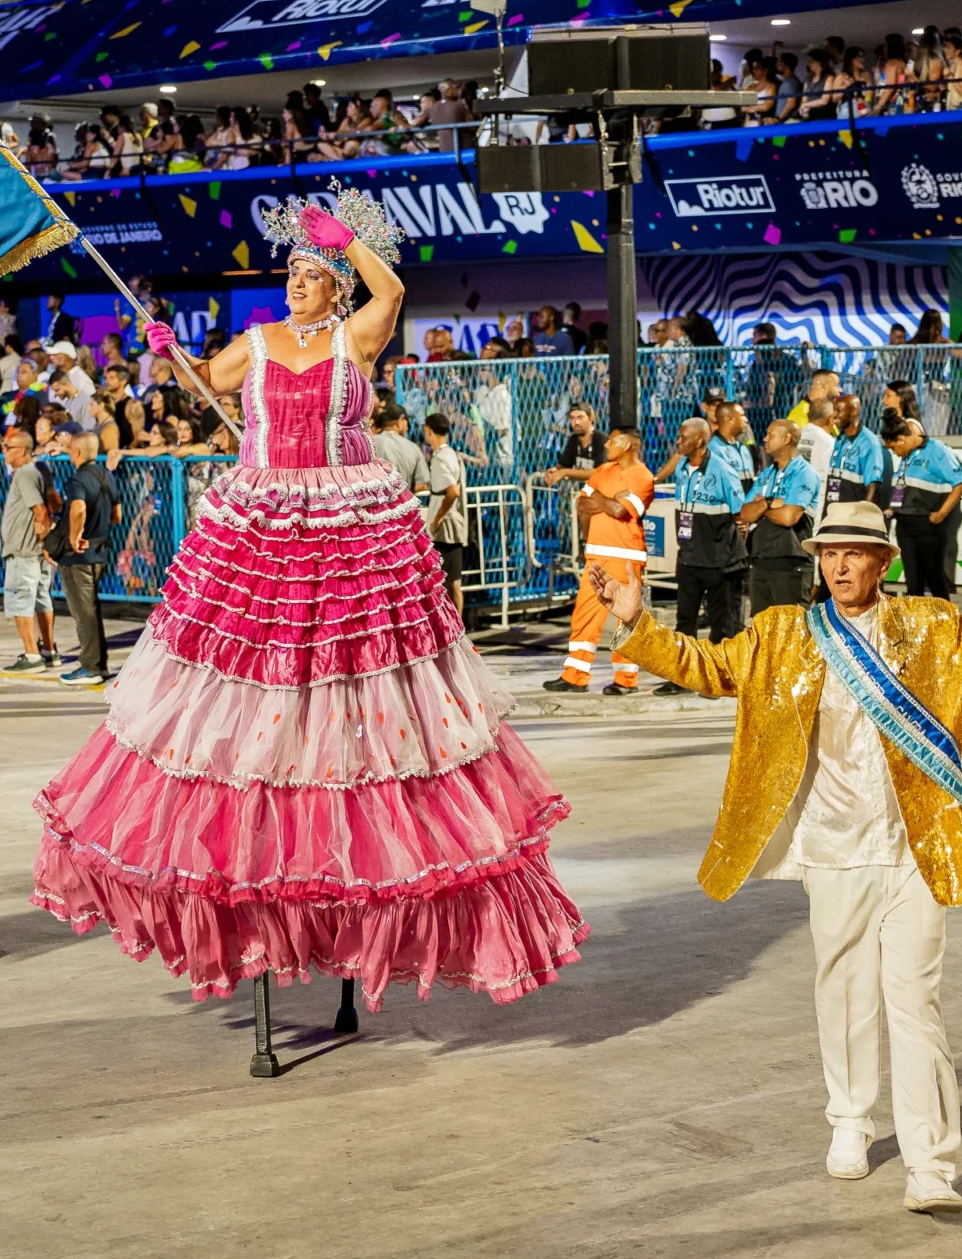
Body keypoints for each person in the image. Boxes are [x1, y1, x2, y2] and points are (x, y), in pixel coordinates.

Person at [35, 186, 587, 1055]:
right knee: (255, 700)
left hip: (347, 524)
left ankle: (348, 896)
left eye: (309, 273)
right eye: (289, 273)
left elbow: (393, 295)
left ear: (333, 285)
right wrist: (165, 352)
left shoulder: (352, 336)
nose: (294, 283)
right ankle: (264, 895)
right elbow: (199, 383)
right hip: (258, 524)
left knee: (358, 696)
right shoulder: (253, 344)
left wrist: (345, 242)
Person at [588, 501, 962, 1217]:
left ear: (884, 561)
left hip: (917, 843)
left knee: (916, 1002)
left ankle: (930, 1164)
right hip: (832, 845)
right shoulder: (783, 634)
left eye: (855, 553)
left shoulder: (932, 626)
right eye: (828, 554)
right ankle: (851, 1119)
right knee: (845, 989)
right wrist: (637, 624)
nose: (839, 566)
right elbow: (706, 667)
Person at [548, 426, 652, 693]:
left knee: (625, 619)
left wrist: (598, 498)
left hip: (626, 558)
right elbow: (582, 506)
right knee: (583, 616)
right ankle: (575, 676)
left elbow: (620, 511)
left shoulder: (643, 476)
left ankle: (626, 680)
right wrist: (607, 501)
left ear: (629, 444)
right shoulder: (603, 470)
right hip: (596, 554)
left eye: (613, 441)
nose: (606, 446)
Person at [662, 416, 743, 649]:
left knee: (722, 623)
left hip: (718, 561)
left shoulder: (722, 471)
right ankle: (682, 677)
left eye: (684, 438)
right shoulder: (681, 467)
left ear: (699, 441)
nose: (678, 442)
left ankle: (721, 678)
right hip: (688, 556)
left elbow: (740, 513)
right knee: (684, 621)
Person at [739, 418, 821, 614]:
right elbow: (745, 513)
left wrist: (762, 505)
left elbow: (789, 517)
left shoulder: (804, 473)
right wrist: (772, 502)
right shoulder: (767, 474)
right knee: (761, 631)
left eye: (770, 435)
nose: (765, 439)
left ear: (786, 439)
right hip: (760, 560)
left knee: (790, 631)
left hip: (791, 565)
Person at [884, 418, 962, 600]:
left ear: (902, 440)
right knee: (913, 583)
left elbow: (960, 482)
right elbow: (902, 489)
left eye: (893, 448)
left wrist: (942, 513)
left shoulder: (937, 450)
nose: (895, 453)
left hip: (928, 527)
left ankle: (945, 623)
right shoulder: (907, 457)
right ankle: (917, 625)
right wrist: (891, 509)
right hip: (905, 526)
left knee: (935, 580)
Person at [0, 428, 60, 672]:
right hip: (34, 548)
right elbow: (54, 503)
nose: (4, 452)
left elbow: (40, 510)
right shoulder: (38, 470)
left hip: (24, 548)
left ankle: (32, 655)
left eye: (8, 448)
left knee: (20, 599)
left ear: (22, 450)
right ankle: (48, 649)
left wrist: (43, 540)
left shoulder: (24, 473)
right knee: (41, 597)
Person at [58, 431, 114, 685]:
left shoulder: (77, 479)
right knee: (92, 607)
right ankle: (99, 663)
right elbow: (117, 515)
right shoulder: (107, 476)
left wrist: (75, 535)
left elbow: (78, 508)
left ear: (77, 452)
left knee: (83, 612)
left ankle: (90, 666)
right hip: (100, 549)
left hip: (80, 554)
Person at [422, 411, 469, 609]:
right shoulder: (453, 455)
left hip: (444, 531)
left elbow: (452, 492)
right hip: (455, 527)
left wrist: (436, 520)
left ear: (428, 431)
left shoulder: (440, 459)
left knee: (444, 583)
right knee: (454, 582)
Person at [825, 393, 885, 509]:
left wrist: (865, 517)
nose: (834, 415)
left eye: (839, 411)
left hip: (853, 516)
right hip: (833, 512)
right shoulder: (839, 439)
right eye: (834, 411)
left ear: (854, 412)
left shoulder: (869, 443)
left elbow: (873, 485)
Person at [369, 400, 428, 496]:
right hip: (402, 506)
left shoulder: (370, 442)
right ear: (400, 421)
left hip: (374, 505)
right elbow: (422, 484)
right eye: (407, 422)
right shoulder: (413, 447)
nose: (407, 427)